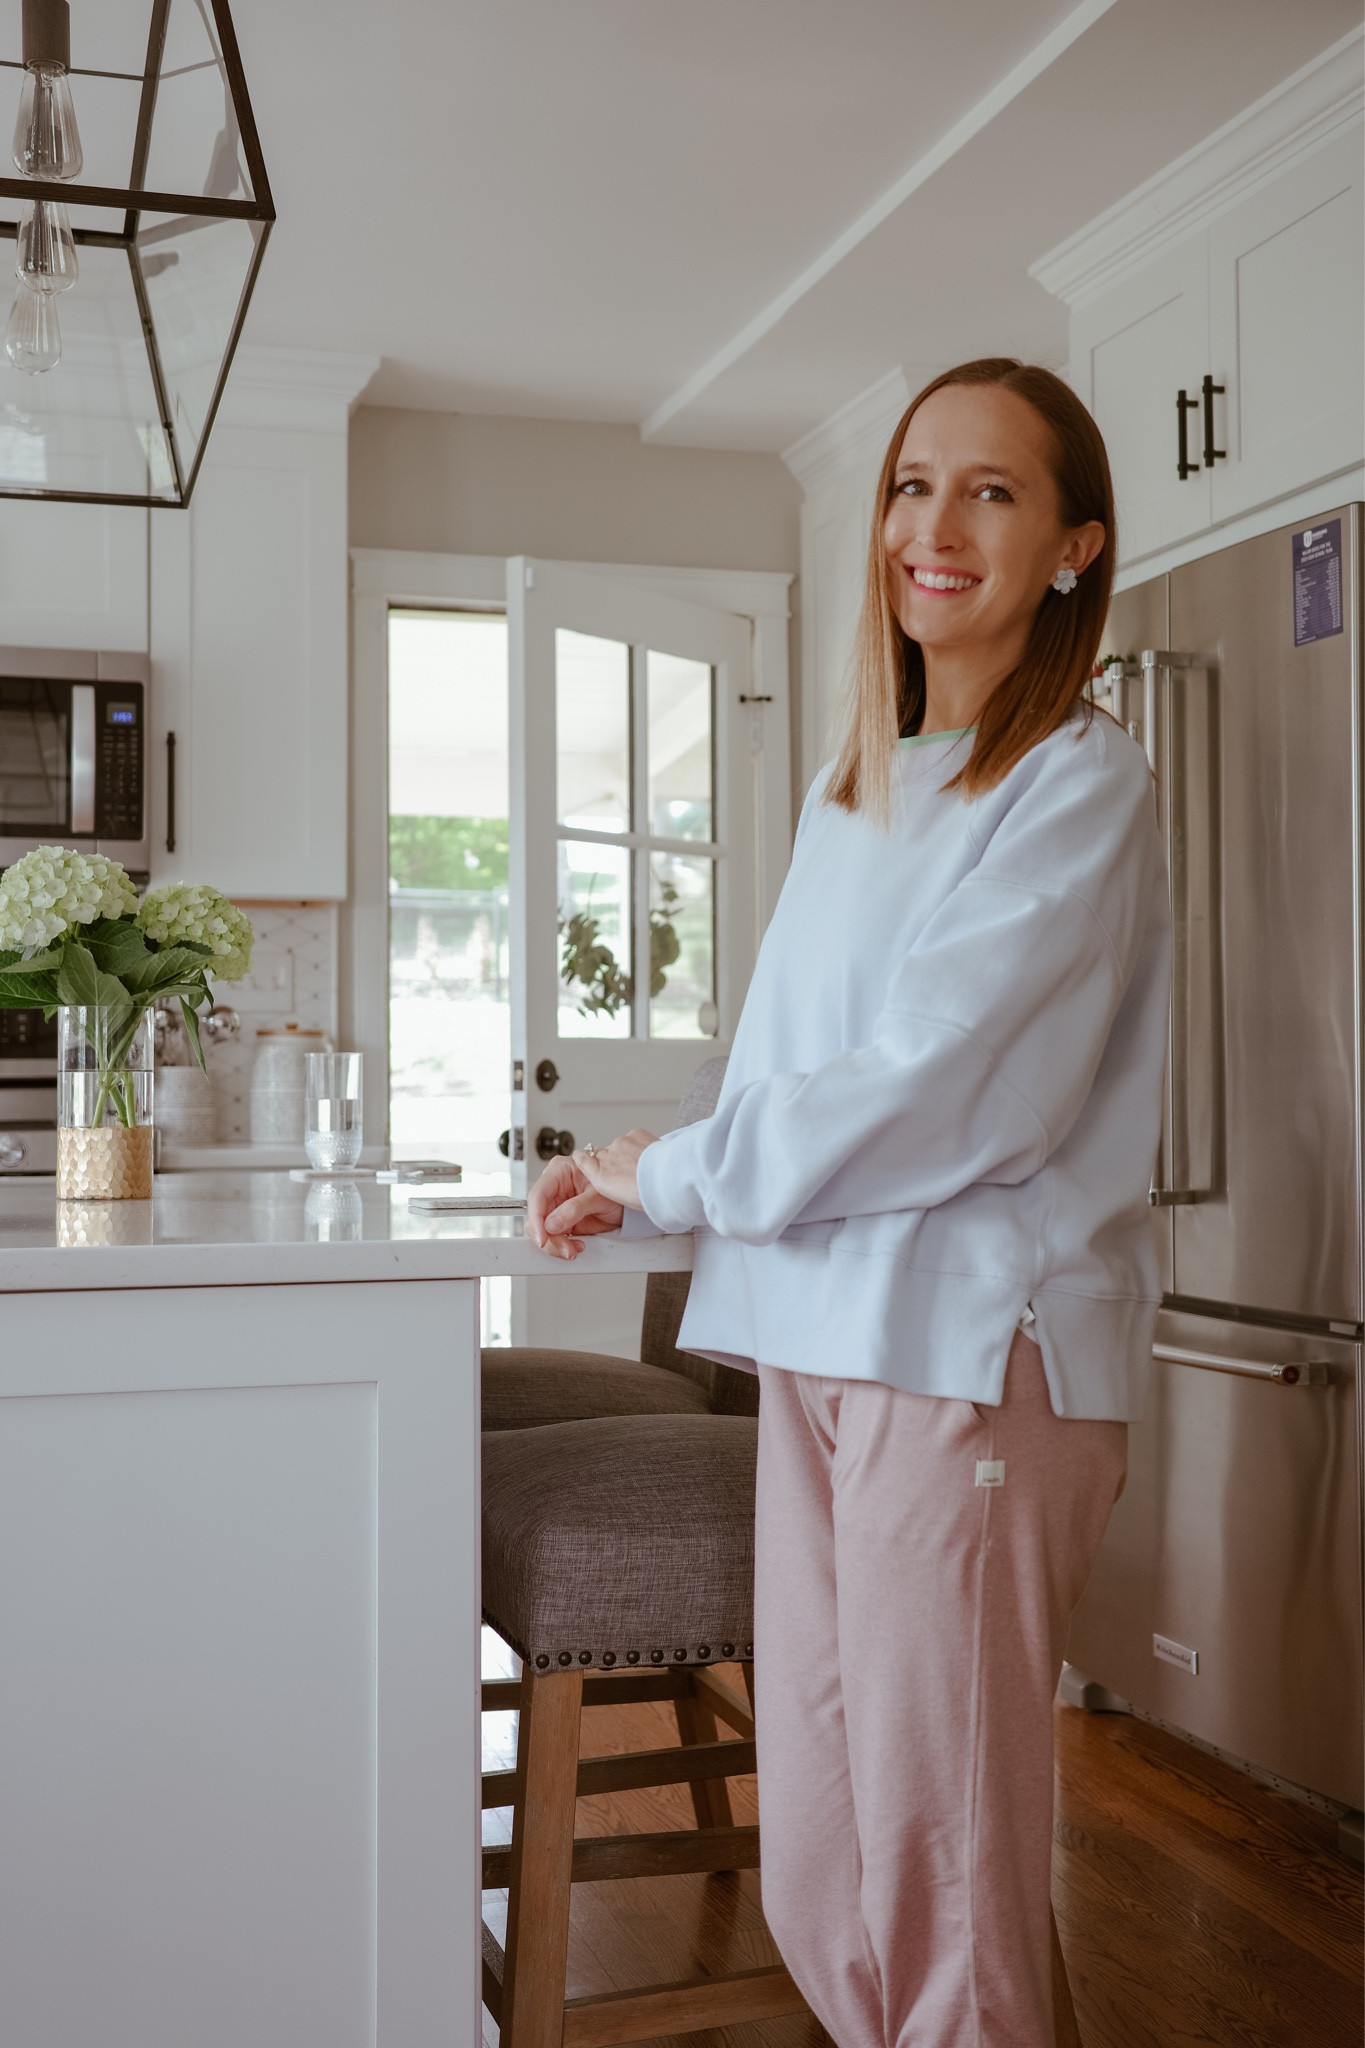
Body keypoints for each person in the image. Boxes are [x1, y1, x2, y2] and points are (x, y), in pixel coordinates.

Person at [527, 358, 1171, 2048]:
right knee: (825, 1853)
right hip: (817, 1341)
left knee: (938, 1868)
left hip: (965, 1356)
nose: (930, 527)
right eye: (909, 485)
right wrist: (636, 1183)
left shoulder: (1076, 782)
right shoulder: (858, 783)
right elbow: (791, 1065)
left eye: (989, 491)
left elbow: (939, 1084)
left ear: (1074, 550)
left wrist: (677, 1175)